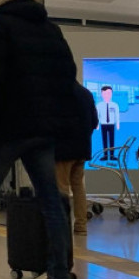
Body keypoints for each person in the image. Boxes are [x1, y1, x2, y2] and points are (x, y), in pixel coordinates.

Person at [0, 0, 78, 279]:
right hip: (42, 129)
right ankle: (59, 275)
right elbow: (66, 79)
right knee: (51, 200)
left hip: (6, 129)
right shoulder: (51, 29)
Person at [56, 82, 98, 235]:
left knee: (62, 188)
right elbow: (95, 122)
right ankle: (81, 226)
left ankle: (63, 228)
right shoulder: (86, 94)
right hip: (82, 149)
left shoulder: (59, 93)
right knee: (79, 188)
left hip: (63, 151)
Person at [96, 85, 120, 160]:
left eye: (109, 93)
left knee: (112, 140)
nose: (107, 95)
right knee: (104, 140)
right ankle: (105, 155)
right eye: (105, 93)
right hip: (103, 125)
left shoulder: (115, 105)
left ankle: (112, 155)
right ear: (102, 94)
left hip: (111, 125)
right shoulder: (99, 105)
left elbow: (117, 115)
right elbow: (97, 116)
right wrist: (97, 125)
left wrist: (118, 124)